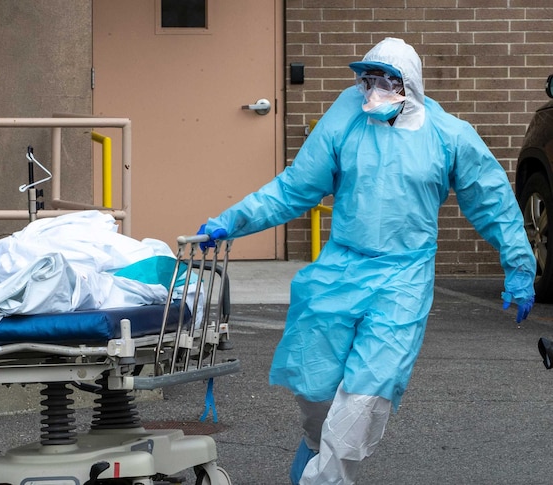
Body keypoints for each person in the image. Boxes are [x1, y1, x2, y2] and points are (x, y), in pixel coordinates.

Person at [197, 37, 536, 484]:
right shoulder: (345, 122)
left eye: (385, 80)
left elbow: (491, 201)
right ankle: (320, 449)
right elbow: (295, 187)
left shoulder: (449, 135)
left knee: (364, 396)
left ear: (409, 85)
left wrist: (519, 266)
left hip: (403, 278)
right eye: (366, 78)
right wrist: (232, 221)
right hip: (340, 269)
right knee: (314, 386)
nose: (372, 89)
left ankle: (326, 477)